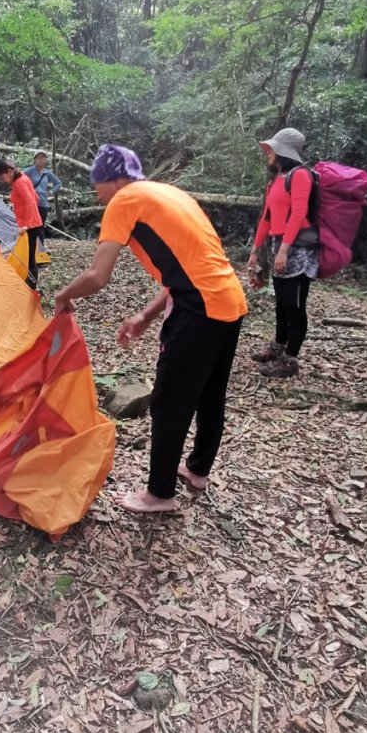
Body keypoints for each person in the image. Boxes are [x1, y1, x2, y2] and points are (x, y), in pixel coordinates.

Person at [53, 144, 247, 516]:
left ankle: (159, 495)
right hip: (229, 301)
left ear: (113, 179)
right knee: (209, 394)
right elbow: (191, 269)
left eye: (98, 185)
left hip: (199, 309)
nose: (97, 193)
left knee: (170, 401)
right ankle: (196, 470)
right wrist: (145, 316)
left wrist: (62, 295)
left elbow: (97, 276)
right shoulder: (170, 194)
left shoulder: (123, 201)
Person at [247, 128, 318, 379]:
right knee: (280, 305)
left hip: (299, 250)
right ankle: (277, 350)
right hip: (280, 246)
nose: (267, 153)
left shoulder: (300, 176)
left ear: (283, 152)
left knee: (294, 308)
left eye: (271, 149)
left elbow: (299, 214)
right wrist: (255, 250)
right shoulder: (276, 179)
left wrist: (285, 251)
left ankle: (290, 360)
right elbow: (267, 217)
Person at [0, 158, 42, 290]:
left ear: (9, 171)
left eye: (2, 176)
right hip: (31, 224)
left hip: (30, 226)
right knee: (28, 256)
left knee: (29, 257)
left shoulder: (20, 182)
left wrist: (27, 224)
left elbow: (31, 201)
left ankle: (32, 288)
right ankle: (30, 284)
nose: (2, 180)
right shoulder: (22, 178)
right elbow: (36, 197)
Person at [24, 150, 62, 242]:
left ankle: (41, 252)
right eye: (38, 158)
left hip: (43, 204)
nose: (40, 160)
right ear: (34, 160)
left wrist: (51, 192)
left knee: (40, 227)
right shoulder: (30, 171)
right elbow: (19, 178)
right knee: (32, 228)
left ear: (45, 160)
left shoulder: (47, 173)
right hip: (32, 203)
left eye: (42, 158)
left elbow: (58, 183)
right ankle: (30, 251)